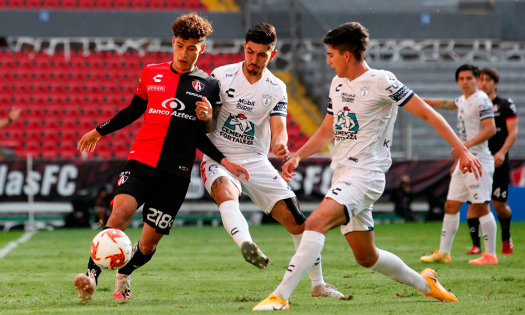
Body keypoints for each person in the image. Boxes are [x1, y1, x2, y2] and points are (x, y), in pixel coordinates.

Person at [253, 22, 482, 311]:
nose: (328, 60)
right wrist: (299, 155)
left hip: (367, 174)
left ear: (347, 55)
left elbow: (428, 113)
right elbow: (328, 128)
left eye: (331, 54)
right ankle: (427, 285)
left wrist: (462, 151)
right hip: (343, 173)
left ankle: (280, 297)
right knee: (366, 256)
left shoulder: (381, 81)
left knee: (315, 222)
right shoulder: (337, 83)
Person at [73, 13, 249, 303]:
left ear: (202, 49)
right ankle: (91, 277)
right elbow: (133, 109)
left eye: (192, 47)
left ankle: (125, 274)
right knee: (118, 213)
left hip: (175, 173)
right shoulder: (151, 73)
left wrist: (212, 132)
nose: (184, 53)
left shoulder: (209, 85)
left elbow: (205, 131)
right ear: (173, 43)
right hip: (141, 160)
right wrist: (99, 131)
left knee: (149, 243)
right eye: (180, 45)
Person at [199, 23, 343, 298]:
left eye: (261, 55)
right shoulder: (221, 76)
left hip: (255, 160)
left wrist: (281, 144)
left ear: (272, 55)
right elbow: (206, 126)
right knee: (227, 194)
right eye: (250, 52)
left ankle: (318, 285)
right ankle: (246, 243)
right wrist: (206, 117)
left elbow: (279, 126)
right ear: (244, 48)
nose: (254, 60)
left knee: (299, 223)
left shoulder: (276, 87)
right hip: (220, 158)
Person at [420, 64, 497, 265]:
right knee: (451, 205)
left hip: (478, 160)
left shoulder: (482, 100)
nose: (465, 82)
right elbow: (445, 103)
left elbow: (491, 129)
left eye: (469, 78)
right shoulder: (463, 100)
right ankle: (444, 253)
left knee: (481, 207)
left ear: (477, 79)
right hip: (464, 161)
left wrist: (465, 147)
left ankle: (490, 255)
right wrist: (419, 101)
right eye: (461, 78)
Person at [465, 67, 518, 255]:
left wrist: (503, 152)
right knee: (474, 202)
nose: (484, 83)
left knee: (498, 206)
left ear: (495, 84)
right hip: (478, 160)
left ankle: (506, 235)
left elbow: (513, 132)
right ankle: (476, 246)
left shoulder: (504, 105)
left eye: (488, 80)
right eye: (481, 79)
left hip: (498, 160)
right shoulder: (473, 103)